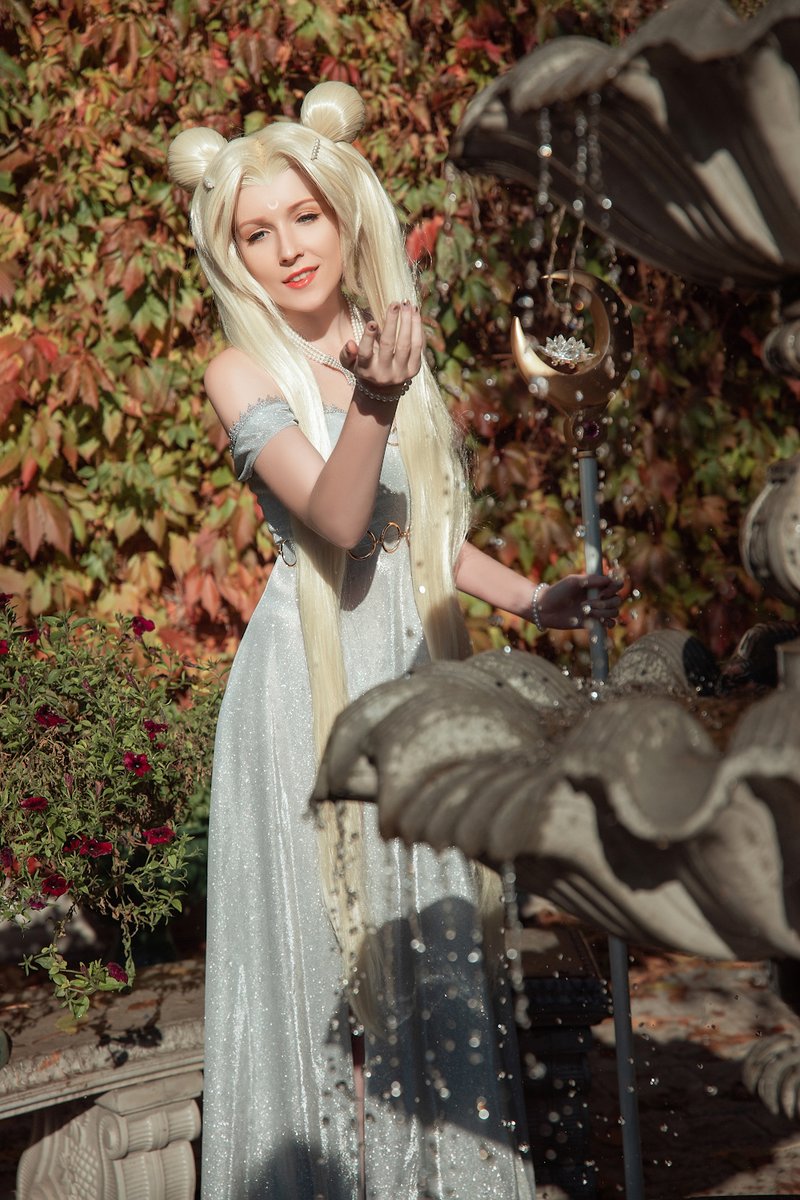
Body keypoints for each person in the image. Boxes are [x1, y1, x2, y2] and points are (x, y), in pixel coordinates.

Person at [168, 80, 621, 1200]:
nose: (288, 248)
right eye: (257, 233)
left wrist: (535, 599)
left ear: (344, 214)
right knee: (334, 971)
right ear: (233, 256)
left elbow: (417, 533)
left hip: (412, 685)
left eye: (304, 217)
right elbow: (334, 520)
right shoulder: (241, 371)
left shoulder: (388, 346)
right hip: (305, 705)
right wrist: (372, 403)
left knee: (425, 954)